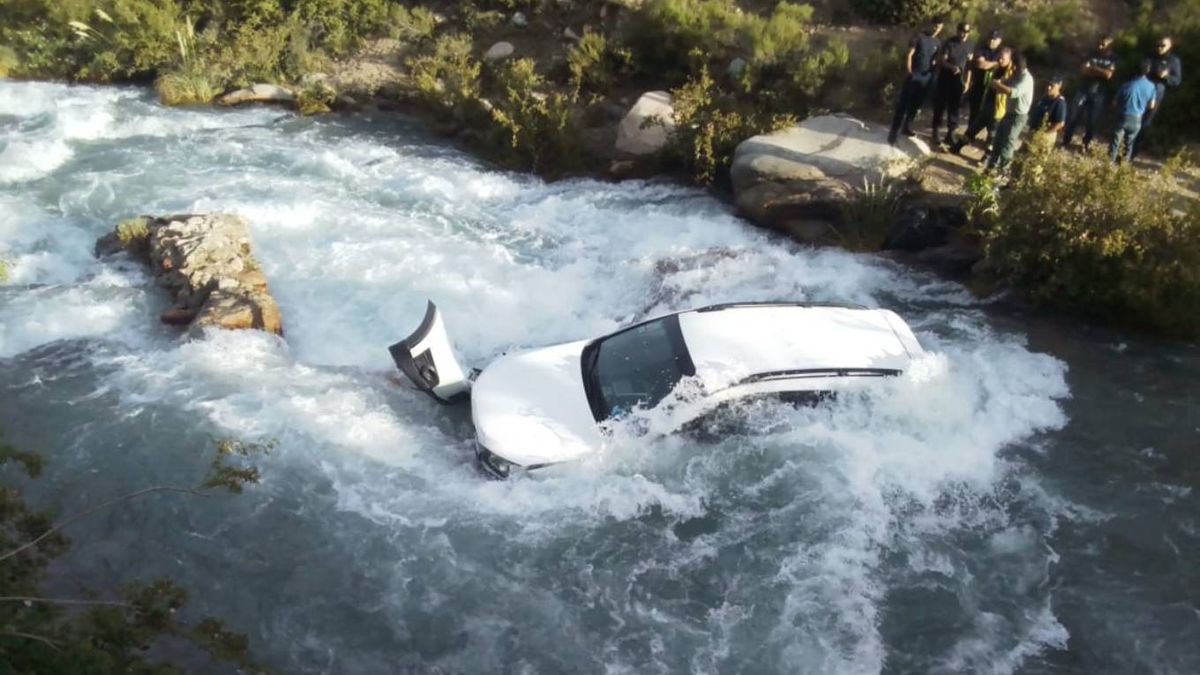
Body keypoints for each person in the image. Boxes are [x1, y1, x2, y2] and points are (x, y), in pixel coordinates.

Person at [888, 16, 945, 145]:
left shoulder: (937, 42)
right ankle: (894, 131)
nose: (937, 29)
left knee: (916, 104)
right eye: (935, 26)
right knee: (903, 104)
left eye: (940, 28)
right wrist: (909, 71)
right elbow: (909, 55)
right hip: (914, 74)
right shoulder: (919, 37)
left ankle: (907, 127)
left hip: (926, 77)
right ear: (931, 25)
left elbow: (937, 59)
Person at [952, 44, 1014, 157]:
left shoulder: (1011, 73)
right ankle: (957, 147)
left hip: (999, 107)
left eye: (1003, 59)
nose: (1000, 60)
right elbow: (987, 81)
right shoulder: (996, 68)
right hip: (988, 102)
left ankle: (986, 157)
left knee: (992, 134)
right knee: (974, 127)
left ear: (1009, 59)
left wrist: (999, 85)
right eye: (999, 57)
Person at [1061, 34, 1118, 149]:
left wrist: (1093, 68)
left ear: (1110, 46)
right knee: (1073, 115)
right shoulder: (1092, 54)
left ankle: (1086, 143)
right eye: (1100, 43)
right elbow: (1083, 70)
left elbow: (1108, 75)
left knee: (1092, 119)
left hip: (1099, 92)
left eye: (1103, 44)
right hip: (1084, 89)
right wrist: (1100, 71)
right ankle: (1066, 139)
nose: (1100, 46)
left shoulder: (1113, 58)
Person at [1132, 36, 1183, 158]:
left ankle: (1133, 152)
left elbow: (1177, 80)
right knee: (1132, 119)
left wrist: (1166, 76)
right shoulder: (1149, 56)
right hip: (1140, 92)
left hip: (1155, 96)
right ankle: (1123, 148)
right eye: (1158, 45)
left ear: (1170, 46)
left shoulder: (1173, 61)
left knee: (1145, 124)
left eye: (1163, 45)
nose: (1159, 48)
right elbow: (1137, 70)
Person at [984, 49, 1034, 174]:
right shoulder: (1016, 75)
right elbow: (1005, 83)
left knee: (1008, 144)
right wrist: (998, 83)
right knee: (998, 141)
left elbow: (1012, 92)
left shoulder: (1026, 79)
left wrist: (998, 85)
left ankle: (1003, 172)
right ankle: (990, 168)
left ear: (1016, 65)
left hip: (1018, 116)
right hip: (1008, 113)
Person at [931, 22, 975, 147]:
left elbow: (970, 65)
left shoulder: (970, 44)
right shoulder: (949, 42)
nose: (963, 34)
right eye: (961, 31)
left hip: (959, 80)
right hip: (945, 78)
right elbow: (942, 60)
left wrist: (967, 81)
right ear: (958, 31)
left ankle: (951, 133)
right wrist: (951, 67)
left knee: (955, 107)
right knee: (940, 105)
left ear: (969, 32)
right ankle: (936, 131)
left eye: (966, 32)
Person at [1111, 60, 1158, 163]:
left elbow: (1114, 103)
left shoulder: (1127, 85)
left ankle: (1109, 163)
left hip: (1123, 115)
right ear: (1148, 71)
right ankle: (1124, 165)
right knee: (1129, 143)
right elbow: (1151, 105)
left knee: (1116, 142)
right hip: (1137, 118)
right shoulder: (1151, 87)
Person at [963, 30, 1004, 147]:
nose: (992, 41)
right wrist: (996, 63)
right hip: (979, 86)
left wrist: (990, 63)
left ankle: (989, 140)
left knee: (992, 114)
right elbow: (981, 65)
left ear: (999, 41)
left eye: (994, 39)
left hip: (994, 89)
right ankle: (969, 136)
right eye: (990, 38)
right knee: (974, 111)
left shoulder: (1001, 51)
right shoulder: (981, 49)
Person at [1029, 75, 1068, 150]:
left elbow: (1060, 123)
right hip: (1034, 132)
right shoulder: (1044, 98)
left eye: (1052, 85)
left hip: (1046, 136)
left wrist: (1044, 134)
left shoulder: (1059, 102)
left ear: (1059, 86)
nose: (1048, 87)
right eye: (1048, 84)